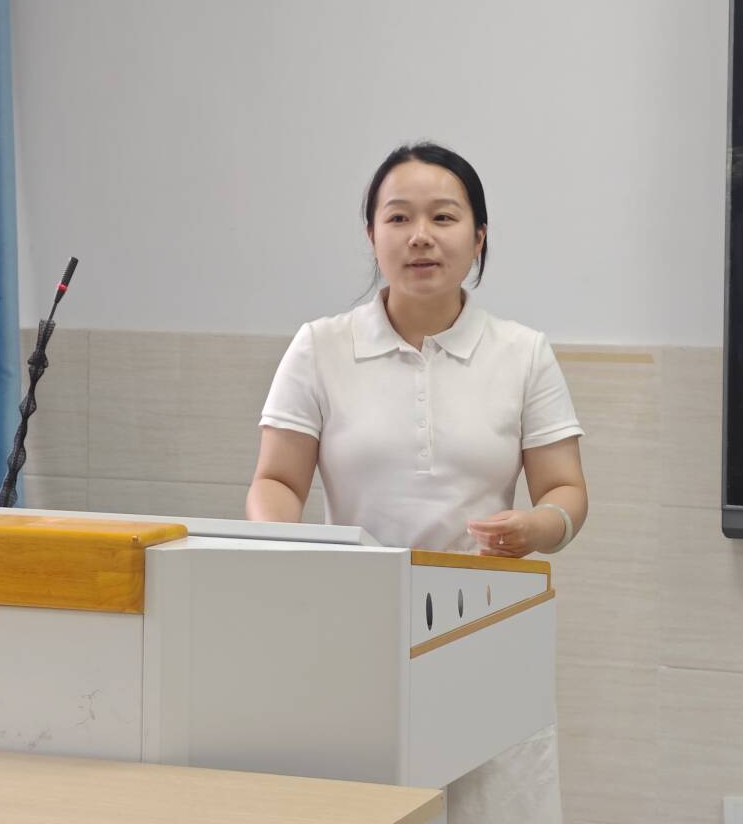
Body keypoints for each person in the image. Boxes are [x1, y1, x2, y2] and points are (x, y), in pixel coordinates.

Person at [246, 141, 588, 824]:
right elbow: (276, 479)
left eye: (444, 217)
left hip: (485, 624)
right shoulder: (320, 347)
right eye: (398, 217)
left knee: (492, 805)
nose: (421, 236)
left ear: (479, 236)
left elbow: (566, 492)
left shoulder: (523, 354)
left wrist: (537, 526)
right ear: (371, 235)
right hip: (354, 623)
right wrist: (290, 549)